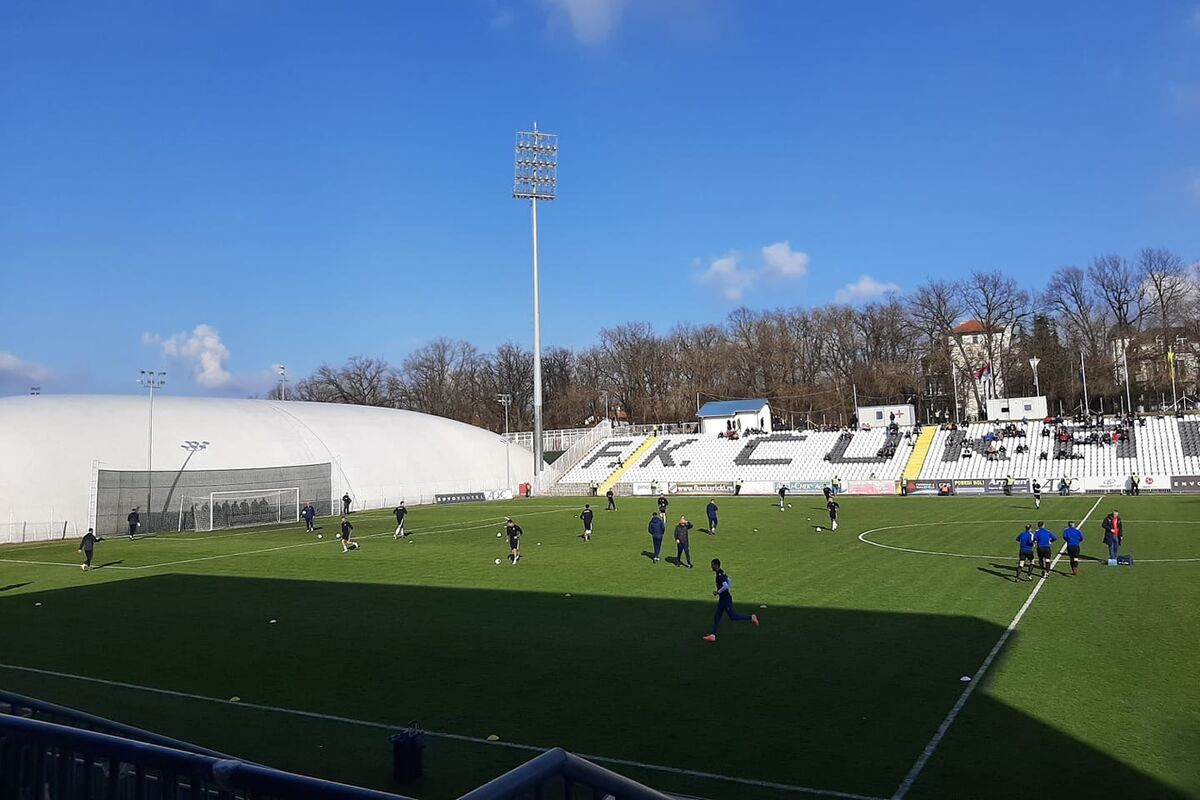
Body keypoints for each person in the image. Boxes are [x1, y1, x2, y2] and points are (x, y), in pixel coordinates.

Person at [701, 558, 759, 642]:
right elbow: (730, 581)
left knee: (733, 616)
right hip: (723, 599)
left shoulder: (720, 575)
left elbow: (725, 586)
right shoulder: (721, 572)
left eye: (712, 565)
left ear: (716, 565)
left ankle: (751, 617)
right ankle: (713, 635)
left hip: (726, 600)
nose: (711, 567)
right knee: (717, 616)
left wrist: (718, 592)